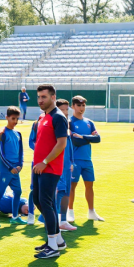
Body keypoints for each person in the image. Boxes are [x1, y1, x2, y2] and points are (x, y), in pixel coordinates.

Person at [31, 84, 69, 259]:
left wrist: (45, 162)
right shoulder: (42, 117)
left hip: (49, 168)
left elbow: (61, 144)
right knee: (38, 200)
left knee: (46, 203)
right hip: (39, 167)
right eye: (39, 97)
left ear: (53, 97)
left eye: (44, 97)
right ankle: (57, 240)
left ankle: (53, 246)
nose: (40, 100)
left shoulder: (58, 117)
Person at [68, 96, 104, 222]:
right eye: (78, 105)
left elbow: (98, 139)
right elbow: (75, 141)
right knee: (72, 186)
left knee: (90, 185)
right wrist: (89, 138)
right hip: (75, 160)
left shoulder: (89, 122)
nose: (81, 108)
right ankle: (70, 211)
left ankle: (91, 211)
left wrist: (83, 137)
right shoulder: (70, 122)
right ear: (72, 106)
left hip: (87, 160)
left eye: (83, 105)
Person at [0, 106, 26, 226]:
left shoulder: (18, 134)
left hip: (15, 170)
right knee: (0, 194)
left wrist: (20, 165)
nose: (15, 121)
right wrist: (10, 167)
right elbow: (0, 154)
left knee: (18, 191)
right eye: (13, 118)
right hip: (5, 170)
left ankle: (15, 217)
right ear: (7, 118)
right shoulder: (2, 134)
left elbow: (21, 151)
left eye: (17, 119)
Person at [54, 99, 77, 232]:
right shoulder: (55, 123)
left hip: (68, 164)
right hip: (58, 164)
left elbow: (70, 145)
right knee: (59, 191)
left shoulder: (67, 125)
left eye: (66, 110)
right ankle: (54, 220)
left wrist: (72, 161)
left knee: (67, 192)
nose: (65, 112)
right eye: (62, 110)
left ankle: (63, 220)